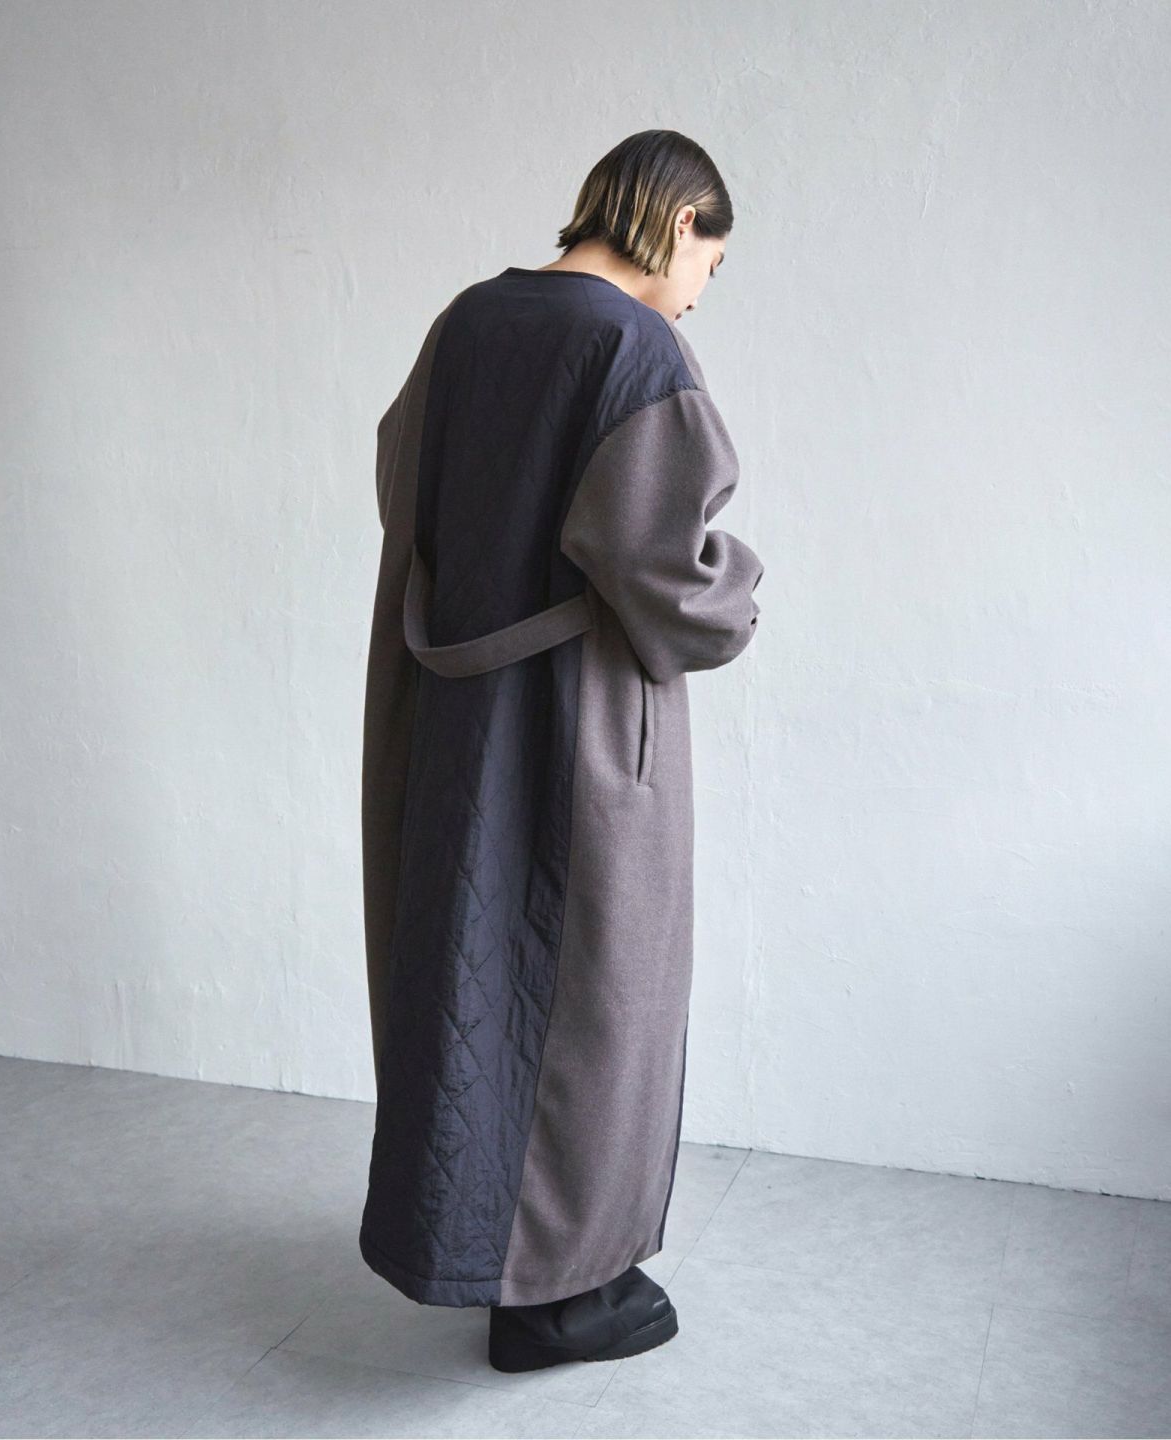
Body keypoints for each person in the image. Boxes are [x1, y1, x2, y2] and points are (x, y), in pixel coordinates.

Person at [359, 128, 765, 1373]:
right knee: (596, 996)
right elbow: (665, 569)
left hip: (452, 715)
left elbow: (403, 483)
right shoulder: (634, 347)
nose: (697, 293)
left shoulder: (467, 322)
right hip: (581, 726)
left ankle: (480, 1252)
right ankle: (560, 1297)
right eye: (709, 265)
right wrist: (737, 591)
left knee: (471, 980)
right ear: (680, 221)